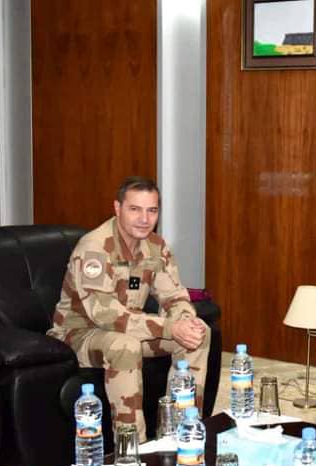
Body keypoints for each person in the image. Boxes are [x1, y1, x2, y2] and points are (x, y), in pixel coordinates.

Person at [47, 176, 210, 442]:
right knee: (125, 346)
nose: (144, 219)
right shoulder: (94, 248)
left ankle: (183, 431)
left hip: (129, 329)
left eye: (152, 210)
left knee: (198, 332)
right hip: (79, 334)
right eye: (135, 209)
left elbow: (174, 296)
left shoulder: (155, 246)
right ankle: (133, 447)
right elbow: (105, 314)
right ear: (117, 208)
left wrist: (184, 320)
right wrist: (170, 327)